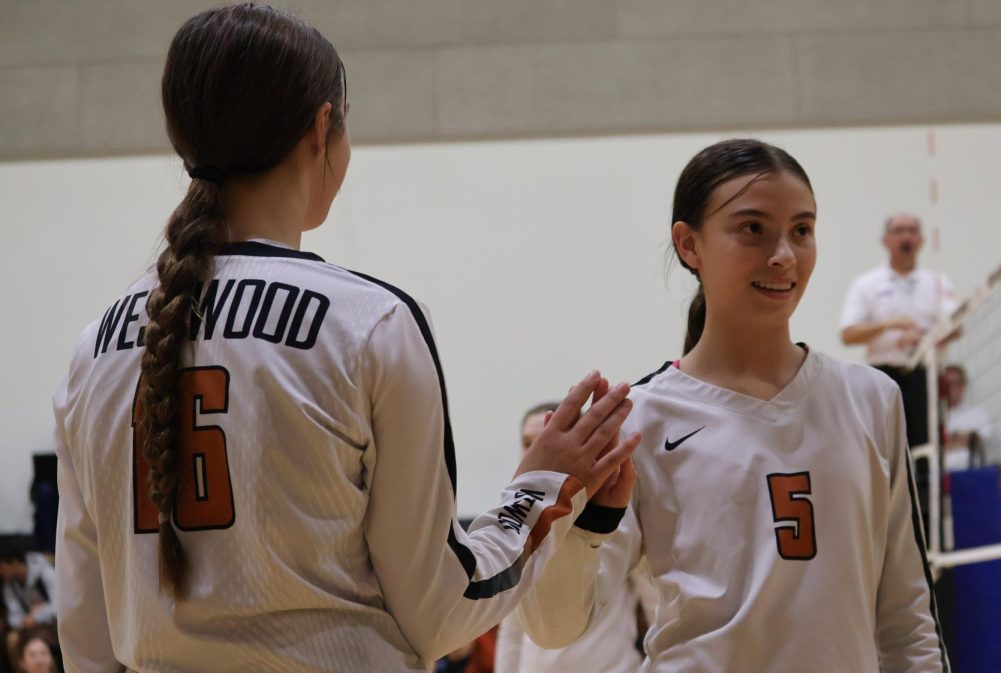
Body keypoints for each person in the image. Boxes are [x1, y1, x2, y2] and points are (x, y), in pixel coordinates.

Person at [52, 6, 638, 672]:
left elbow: (85, 633)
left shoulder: (92, 347)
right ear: (322, 126)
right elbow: (443, 612)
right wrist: (539, 486)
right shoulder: (372, 322)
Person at [518, 139, 947, 672]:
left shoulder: (873, 398)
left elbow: (907, 618)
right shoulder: (641, 420)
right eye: (753, 229)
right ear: (689, 245)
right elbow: (556, 626)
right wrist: (557, 511)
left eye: (802, 230)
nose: (784, 255)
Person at [495, 403, 643, 673]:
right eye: (528, 444)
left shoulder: (613, 509)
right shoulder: (516, 522)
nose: (535, 453)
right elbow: (511, 629)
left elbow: (654, 602)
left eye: (543, 443)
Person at [840, 212, 958, 450]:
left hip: (925, 377)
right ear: (885, 240)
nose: (906, 237)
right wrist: (890, 326)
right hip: (882, 377)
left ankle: (927, 488)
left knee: (927, 451)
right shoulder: (866, 284)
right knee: (885, 450)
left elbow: (956, 327)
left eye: (912, 231)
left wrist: (924, 338)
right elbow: (848, 334)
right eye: (898, 231)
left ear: (921, 240)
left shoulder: (937, 281)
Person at [1, 542, 56, 670]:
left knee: (37, 643)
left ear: (13, 562)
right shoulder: (10, 583)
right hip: (28, 624)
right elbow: (13, 615)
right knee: (12, 639)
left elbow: (59, 605)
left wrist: (38, 615)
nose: (1, 571)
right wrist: (27, 619)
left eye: (1, 566)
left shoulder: (45, 570)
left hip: (52, 623)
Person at [943, 364, 992, 471]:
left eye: (955, 384)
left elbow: (981, 439)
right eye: (947, 384)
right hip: (942, 479)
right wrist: (963, 438)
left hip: (971, 475)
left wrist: (949, 440)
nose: (951, 388)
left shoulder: (977, 414)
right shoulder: (936, 419)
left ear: (963, 385)